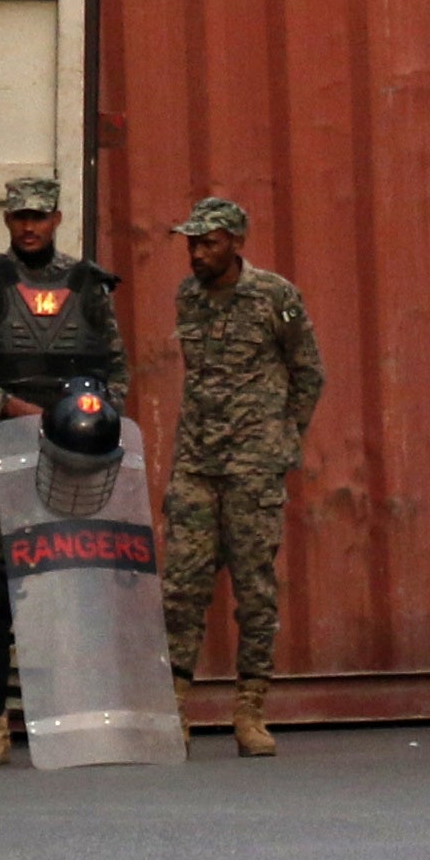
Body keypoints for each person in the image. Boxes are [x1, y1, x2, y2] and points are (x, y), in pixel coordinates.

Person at [0, 174, 125, 758]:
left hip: (76, 455)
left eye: (39, 216)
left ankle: (73, 711)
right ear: (7, 220)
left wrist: (94, 418)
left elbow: (117, 370)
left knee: (72, 576)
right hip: (4, 448)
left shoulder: (88, 284)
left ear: (56, 219)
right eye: (19, 216)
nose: (29, 226)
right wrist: (13, 409)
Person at [164, 193, 326, 753]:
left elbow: (309, 372)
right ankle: (175, 711)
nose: (197, 254)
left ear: (235, 242)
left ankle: (250, 713)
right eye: (192, 244)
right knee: (181, 588)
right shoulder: (188, 297)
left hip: (253, 469)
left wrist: (281, 441)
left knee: (255, 591)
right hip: (196, 463)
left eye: (208, 243)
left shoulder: (273, 296)